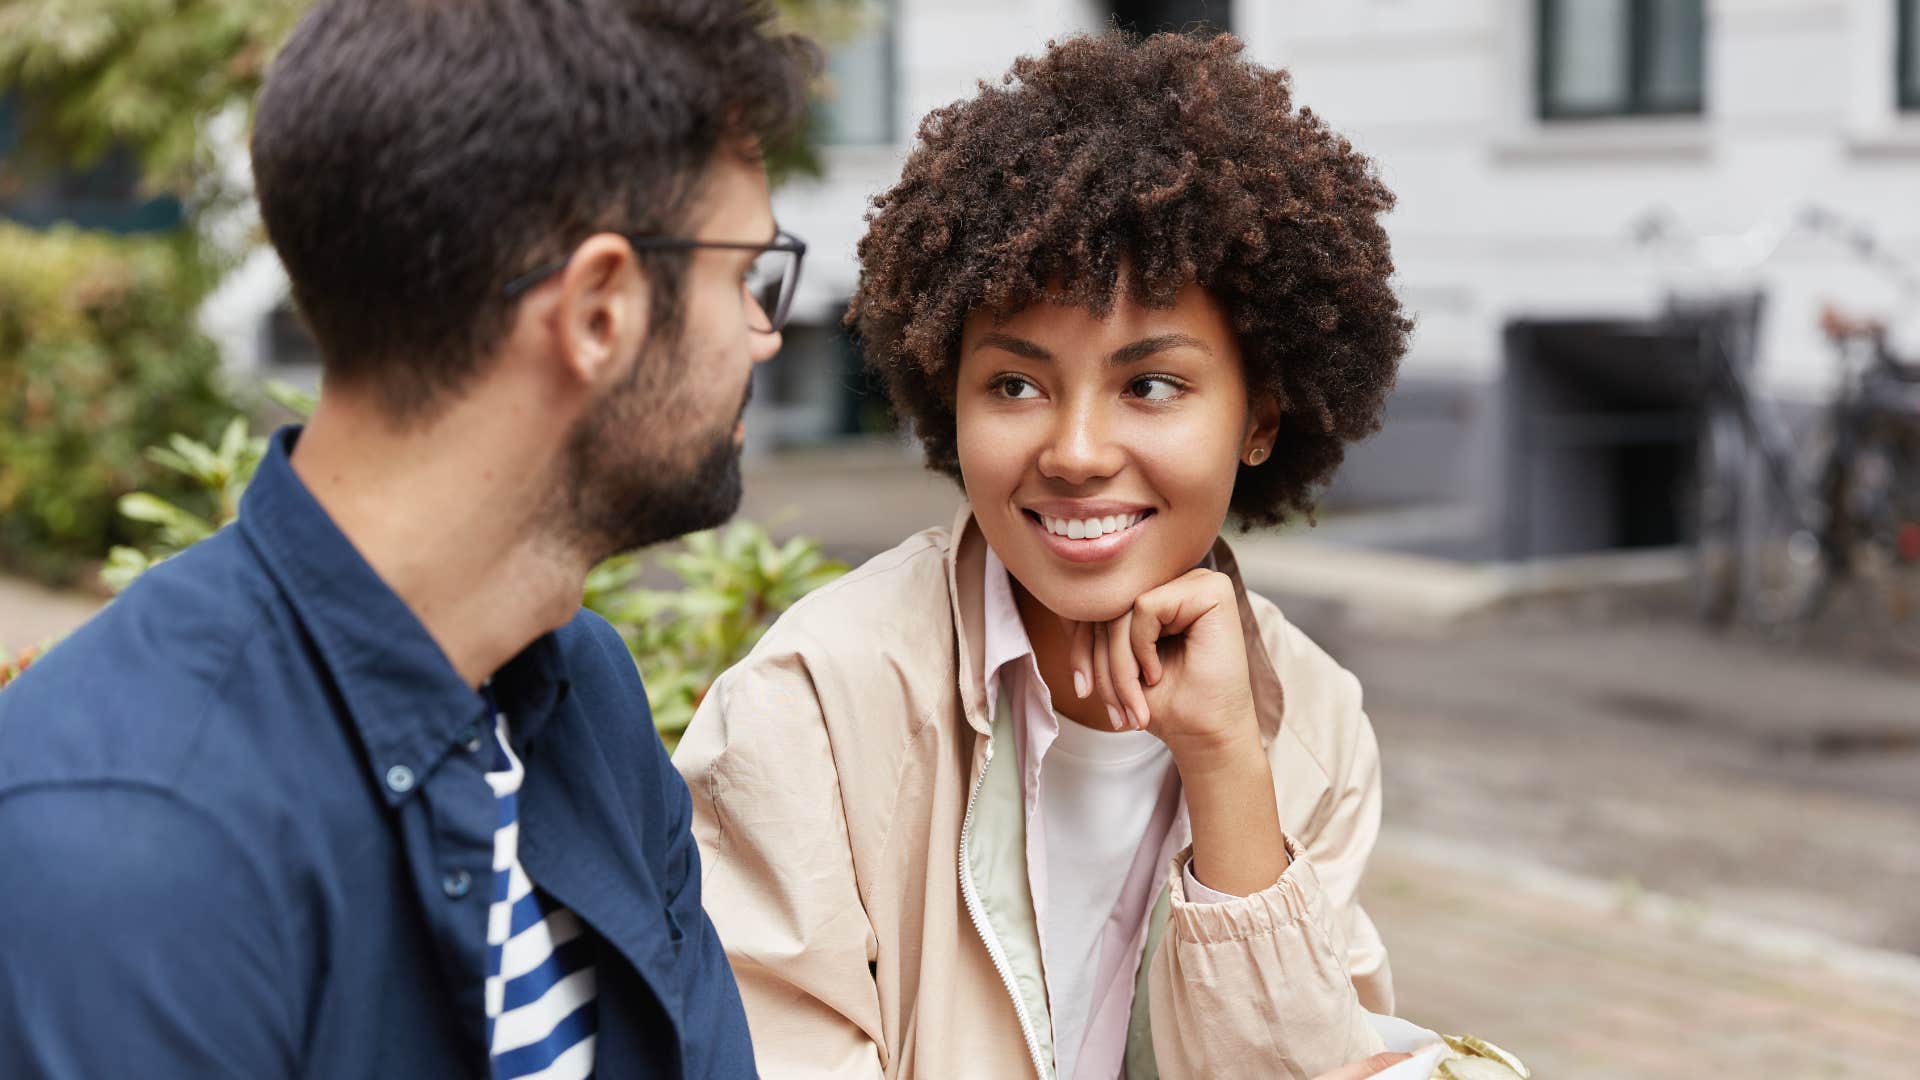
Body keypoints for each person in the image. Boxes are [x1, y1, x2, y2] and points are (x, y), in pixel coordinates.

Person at [0, 0, 814, 1076]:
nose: (765, 331)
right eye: (742, 276)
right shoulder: (124, 838)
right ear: (598, 311)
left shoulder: (585, 695)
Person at [675, 30, 1414, 1080]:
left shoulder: (1314, 719)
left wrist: (1224, 768)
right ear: (946, 393)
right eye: (1015, 385)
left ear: (1263, 418)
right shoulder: (818, 705)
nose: (1073, 454)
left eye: (1150, 385)